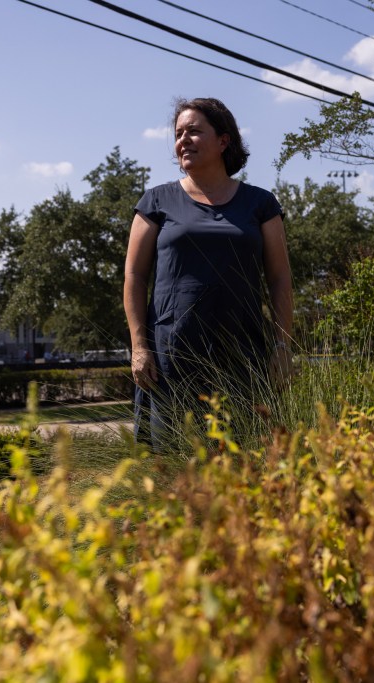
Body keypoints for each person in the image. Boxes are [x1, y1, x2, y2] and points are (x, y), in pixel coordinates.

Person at [124, 97, 294, 450]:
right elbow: (135, 279)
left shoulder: (260, 204)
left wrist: (281, 345)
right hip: (172, 359)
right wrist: (140, 347)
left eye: (194, 131)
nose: (183, 139)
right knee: (174, 470)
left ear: (223, 141)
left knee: (243, 462)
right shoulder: (156, 201)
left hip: (243, 356)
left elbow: (280, 279)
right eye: (178, 133)